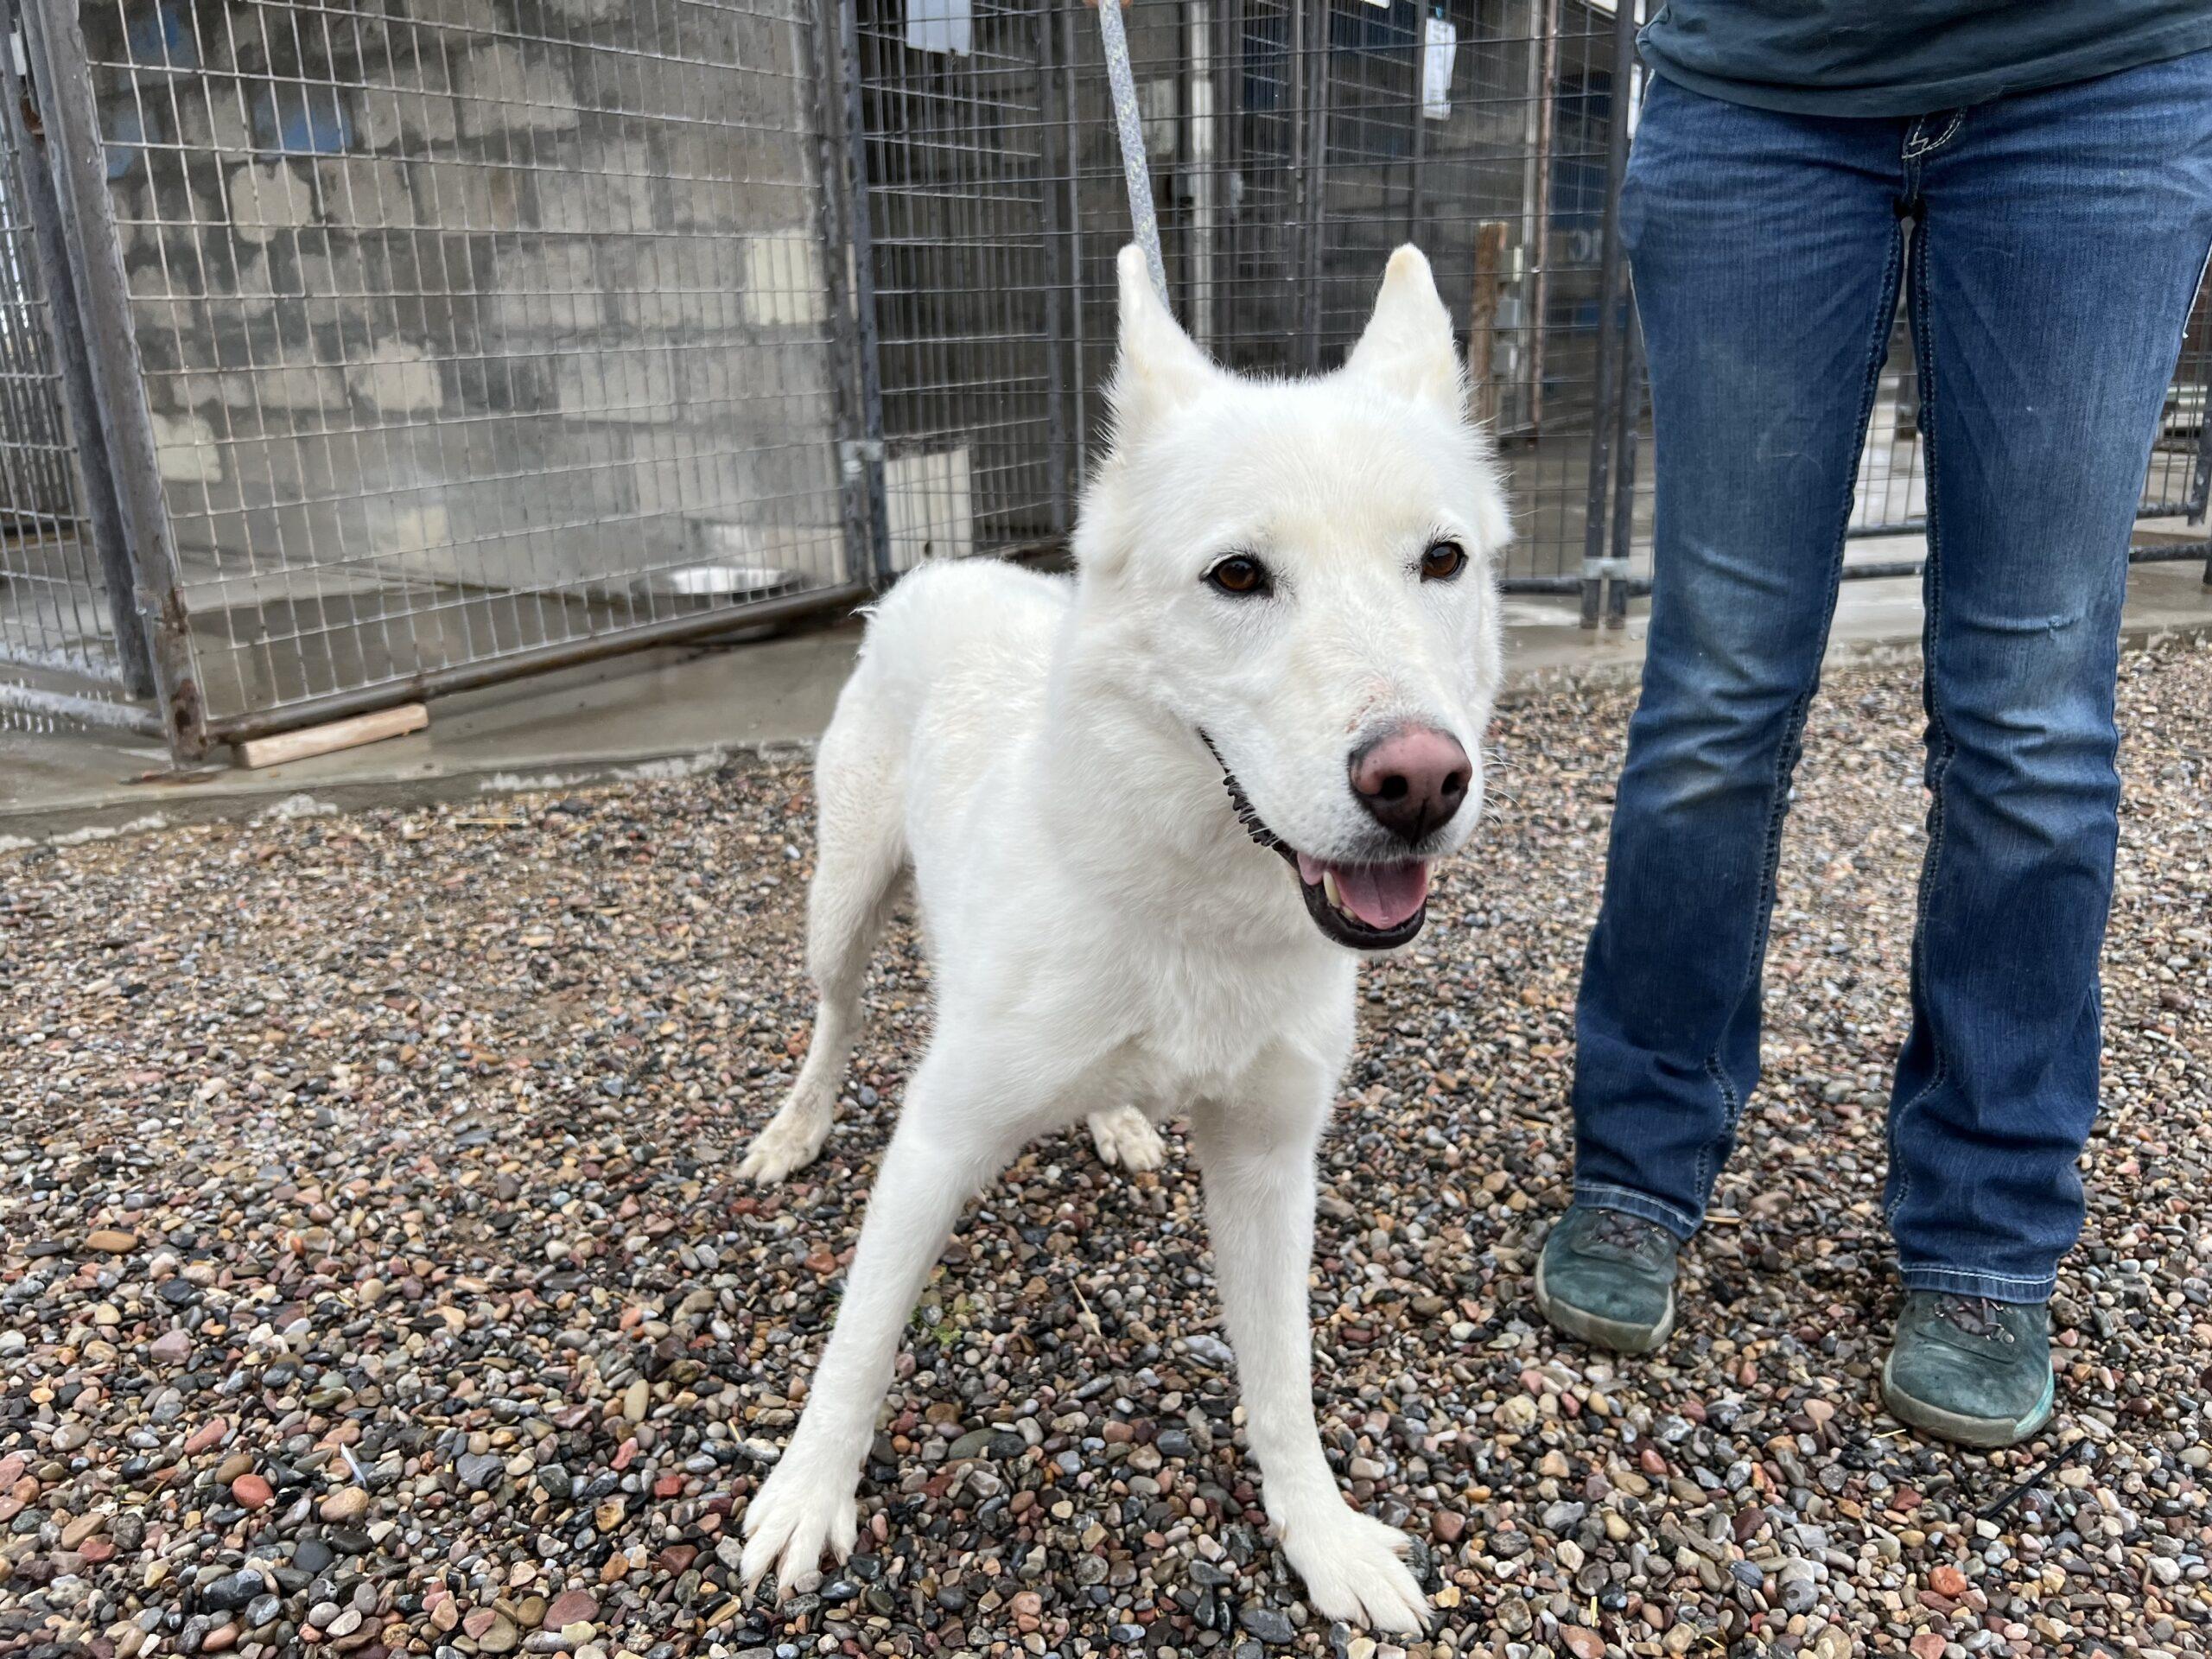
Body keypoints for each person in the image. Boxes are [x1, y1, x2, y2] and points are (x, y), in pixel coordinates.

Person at [1537, 3, 2212, 1448]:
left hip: (2096, 80)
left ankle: (1986, 1233)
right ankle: (1637, 1165)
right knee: (1718, 688)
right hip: (1757, 83)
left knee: (2033, 717)